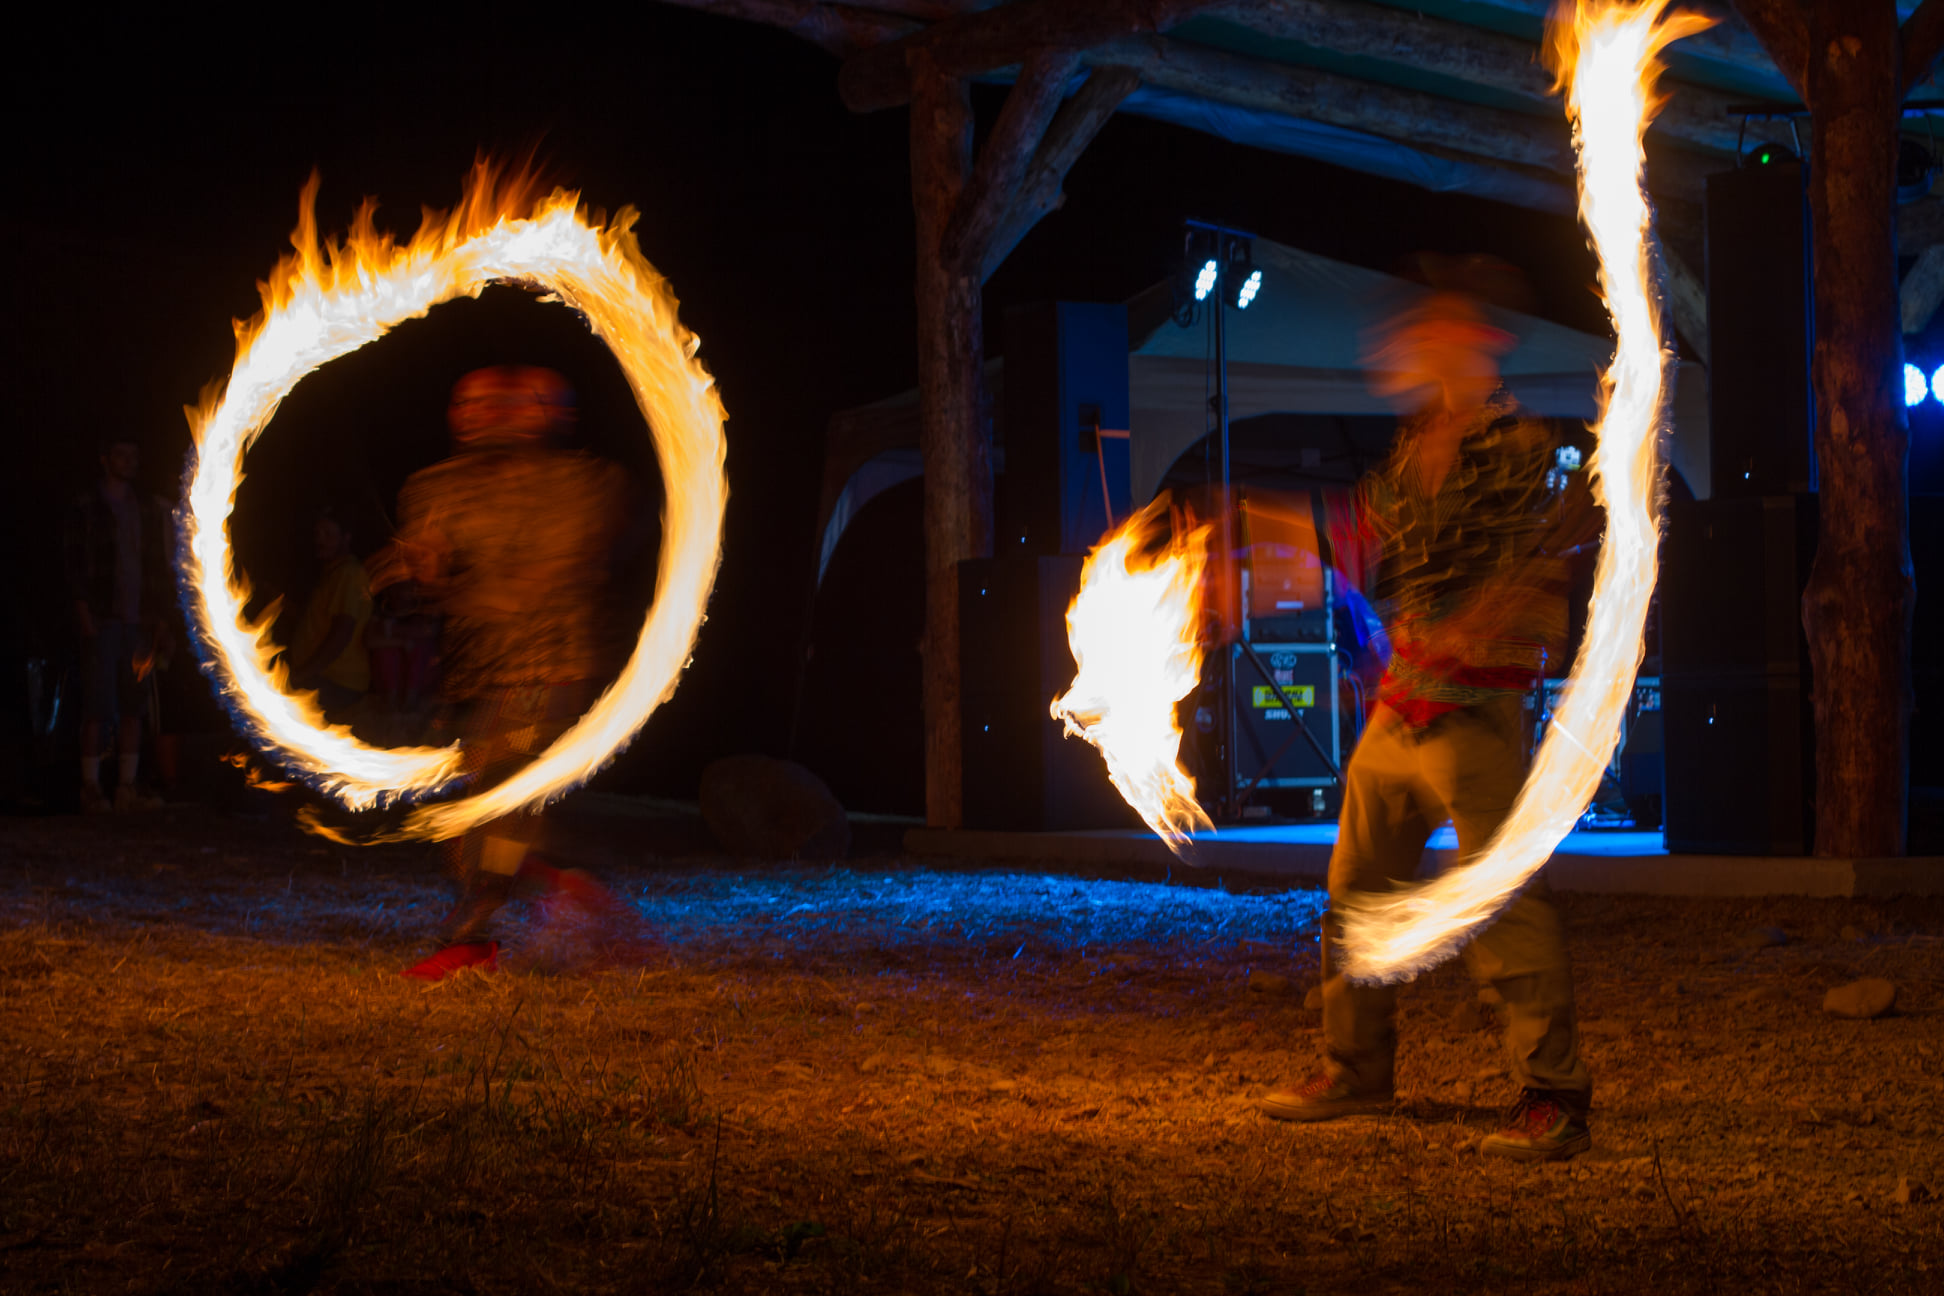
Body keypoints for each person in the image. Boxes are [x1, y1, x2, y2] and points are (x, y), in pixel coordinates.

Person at [1258, 272, 1601, 1162]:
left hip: (1474, 705)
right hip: (1402, 705)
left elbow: (1548, 560)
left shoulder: (1518, 449)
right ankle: (1356, 1069)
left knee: (1502, 895)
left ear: (1476, 344)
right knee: (1356, 890)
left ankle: (1553, 1094)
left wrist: (1482, 631)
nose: (1403, 347)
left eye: (1428, 331)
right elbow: (1359, 532)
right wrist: (1246, 529)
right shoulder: (1410, 456)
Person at [370, 365, 630, 976]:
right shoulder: (435, 489)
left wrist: (443, 587)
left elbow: (525, 593)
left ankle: (474, 935)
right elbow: (411, 595)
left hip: (549, 669)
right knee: (476, 818)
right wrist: (413, 574)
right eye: (467, 403)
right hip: (470, 678)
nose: (482, 415)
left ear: (549, 414)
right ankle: (577, 897)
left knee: (495, 806)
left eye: (505, 403)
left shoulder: (581, 485)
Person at [62, 437, 173, 813]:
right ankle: (90, 787)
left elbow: (157, 566)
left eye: (134, 455)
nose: (130, 462)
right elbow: (74, 566)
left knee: (133, 707)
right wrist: (84, 617)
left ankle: (127, 787)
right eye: (122, 455)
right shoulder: (87, 507)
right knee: (97, 706)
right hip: (103, 621)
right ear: (104, 460)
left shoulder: (145, 509)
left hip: (138, 622)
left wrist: (158, 619)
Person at [287, 507, 372, 727]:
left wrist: (304, 673)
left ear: (346, 538)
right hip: (324, 680)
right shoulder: (334, 573)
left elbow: (342, 632)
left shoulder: (349, 574)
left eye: (328, 534)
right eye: (317, 534)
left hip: (335, 683)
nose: (320, 540)